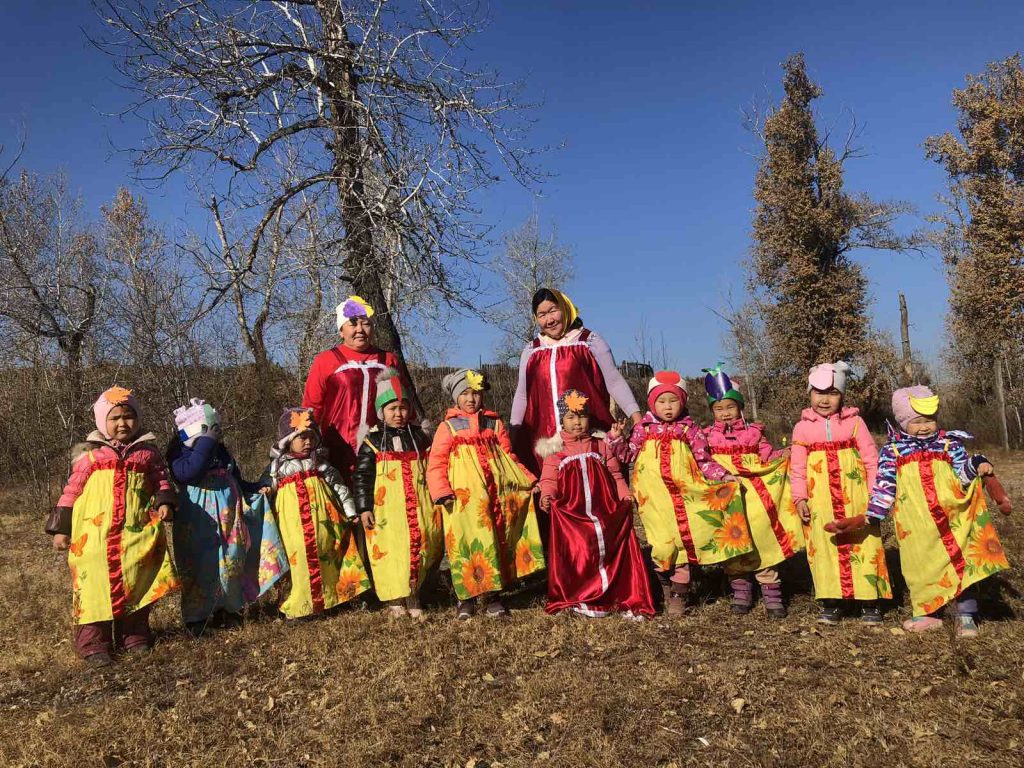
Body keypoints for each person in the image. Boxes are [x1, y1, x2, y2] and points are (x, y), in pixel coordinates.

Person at [835, 386, 1011, 637]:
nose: (924, 427)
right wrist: (870, 515)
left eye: (929, 420)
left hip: (951, 517)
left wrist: (976, 465)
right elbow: (885, 487)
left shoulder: (949, 445)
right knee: (919, 567)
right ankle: (929, 613)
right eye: (916, 422)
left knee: (959, 560)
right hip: (915, 524)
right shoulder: (893, 451)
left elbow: (962, 477)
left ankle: (965, 614)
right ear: (902, 422)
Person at [45, 387, 179, 666]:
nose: (122, 423)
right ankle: (94, 642)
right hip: (95, 536)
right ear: (101, 421)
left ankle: (134, 635)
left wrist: (165, 500)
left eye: (128, 417)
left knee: (136, 580)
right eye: (114, 418)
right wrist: (61, 528)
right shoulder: (91, 456)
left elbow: (161, 480)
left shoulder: (147, 454)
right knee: (93, 585)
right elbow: (71, 492)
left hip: (134, 532)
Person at [610, 371, 751, 615]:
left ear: (682, 401)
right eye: (662, 401)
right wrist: (616, 439)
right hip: (653, 500)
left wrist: (723, 476)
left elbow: (703, 460)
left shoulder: (690, 430)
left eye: (673, 401)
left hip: (685, 497)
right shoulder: (643, 428)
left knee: (683, 543)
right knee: (661, 545)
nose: (667, 407)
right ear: (652, 402)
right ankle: (663, 586)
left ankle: (679, 593)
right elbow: (627, 455)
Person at [427, 368, 545, 619]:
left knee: (493, 540)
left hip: (493, 498)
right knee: (465, 542)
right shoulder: (447, 428)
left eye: (476, 393)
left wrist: (528, 479)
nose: (471, 399)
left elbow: (509, 457)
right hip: (462, 500)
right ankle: (465, 599)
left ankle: (493, 596)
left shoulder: (494, 424)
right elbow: (436, 461)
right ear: (456, 397)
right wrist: (441, 491)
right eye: (465, 393)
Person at [167, 398, 287, 635]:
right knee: (199, 565)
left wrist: (254, 489)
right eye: (211, 428)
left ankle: (229, 609)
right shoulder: (179, 452)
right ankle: (198, 617)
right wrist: (205, 442)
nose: (217, 432)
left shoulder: (221, 452)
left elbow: (237, 479)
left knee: (233, 559)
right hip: (198, 518)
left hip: (230, 516)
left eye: (217, 428)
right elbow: (188, 473)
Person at [790, 362, 892, 625]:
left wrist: (876, 497)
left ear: (842, 395)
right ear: (809, 393)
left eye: (833, 393)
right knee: (824, 548)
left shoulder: (855, 423)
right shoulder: (802, 428)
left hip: (855, 497)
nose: (825, 400)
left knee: (864, 544)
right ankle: (831, 602)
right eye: (819, 393)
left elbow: (871, 460)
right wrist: (799, 498)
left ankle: (870, 602)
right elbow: (797, 467)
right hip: (820, 499)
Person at [538, 389, 654, 619]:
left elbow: (615, 475)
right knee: (581, 552)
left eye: (581, 416)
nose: (577, 422)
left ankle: (613, 590)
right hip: (574, 516)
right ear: (562, 420)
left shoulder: (600, 445)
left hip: (603, 510)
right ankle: (582, 592)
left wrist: (624, 495)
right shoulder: (556, 451)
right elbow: (549, 479)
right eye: (570, 417)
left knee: (609, 548)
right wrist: (546, 495)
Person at [701, 364, 804, 618]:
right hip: (726, 497)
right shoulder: (707, 437)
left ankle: (771, 592)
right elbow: (703, 463)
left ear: (740, 407)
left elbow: (767, 457)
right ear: (712, 411)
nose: (725, 413)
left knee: (762, 538)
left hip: (756, 496)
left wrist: (783, 455)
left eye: (730, 407)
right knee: (733, 541)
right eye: (719, 409)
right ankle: (741, 590)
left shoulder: (753, 434)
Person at [510, 288, 642, 477]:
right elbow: (522, 394)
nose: (549, 320)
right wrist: (514, 430)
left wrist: (637, 419)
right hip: (545, 444)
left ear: (565, 308)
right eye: (542, 315)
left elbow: (614, 381)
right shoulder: (532, 351)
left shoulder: (589, 341)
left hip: (588, 437)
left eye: (553, 310)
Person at [352, 370, 442, 620]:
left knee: (420, 546)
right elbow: (362, 477)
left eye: (403, 408)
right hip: (387, 511)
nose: (398, 414)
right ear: (382, 411)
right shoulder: (372, 442)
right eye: (392, 408)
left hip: (420, 505)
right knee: (391, 551)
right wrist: (364, 507)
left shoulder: (421, 438)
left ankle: (414, 594)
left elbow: (434, 467)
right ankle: (394, 598)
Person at [263, 407, 370, 619]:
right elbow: (268, 484)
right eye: (302, 437)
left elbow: (339, 487)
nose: (308, 442)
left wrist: (350, 511)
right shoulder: (277, 467)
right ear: (288, 441)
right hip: (292, 522)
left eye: (312, 437)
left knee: (328, 554)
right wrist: (265, 489)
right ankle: (300, 605)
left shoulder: (320, 463)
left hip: (325, 520)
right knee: (299, 558)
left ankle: (331, 598)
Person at [302, 295, 399, 479]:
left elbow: (401, 404)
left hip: (381, 449)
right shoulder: (325, 360)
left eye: (366, 323)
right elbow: (311, 408)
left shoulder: (388, 360)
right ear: (341, 330)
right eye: (353, 324)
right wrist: (306, 445)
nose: (360, 329)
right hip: (337, 451)